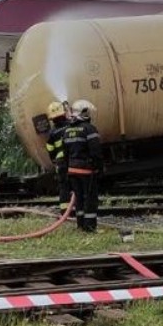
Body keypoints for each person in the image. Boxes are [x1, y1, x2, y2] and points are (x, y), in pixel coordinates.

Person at [62, 99, 103, 233]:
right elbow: (96, 151)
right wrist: (99, 167)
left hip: (72, 170)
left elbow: (65, 154)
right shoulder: (89, 129)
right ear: (84, 113)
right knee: (90, 198)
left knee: (79, 199)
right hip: (86, 170)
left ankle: (80, 225)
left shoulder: (67, 131)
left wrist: (67, 170)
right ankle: (90, 227)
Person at [45, 101, 70, 211]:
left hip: (61, 162)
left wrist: (54, 161)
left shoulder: (52, 133)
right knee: (78, 184)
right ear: (64, 114)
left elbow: (50, 149)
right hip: (73, 159)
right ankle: (80, 208)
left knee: (64, 186)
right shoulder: (71, 125)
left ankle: (65, 210)